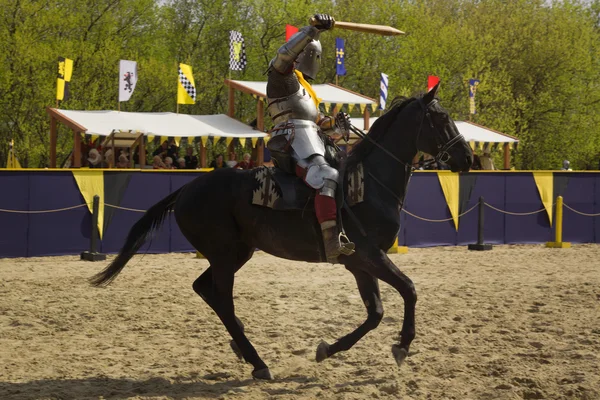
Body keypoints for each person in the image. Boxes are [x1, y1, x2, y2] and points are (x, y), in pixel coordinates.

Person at [265, 13, 354, 263]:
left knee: (345, 170)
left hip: (312, 139)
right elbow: (283, 56)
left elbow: (320, 125)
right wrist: (312, 31)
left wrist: (336, 125)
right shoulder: (282, 78)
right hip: (291, 137)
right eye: (312, 54)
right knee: (326, 176)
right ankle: (330, 243)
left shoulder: (307, 91)